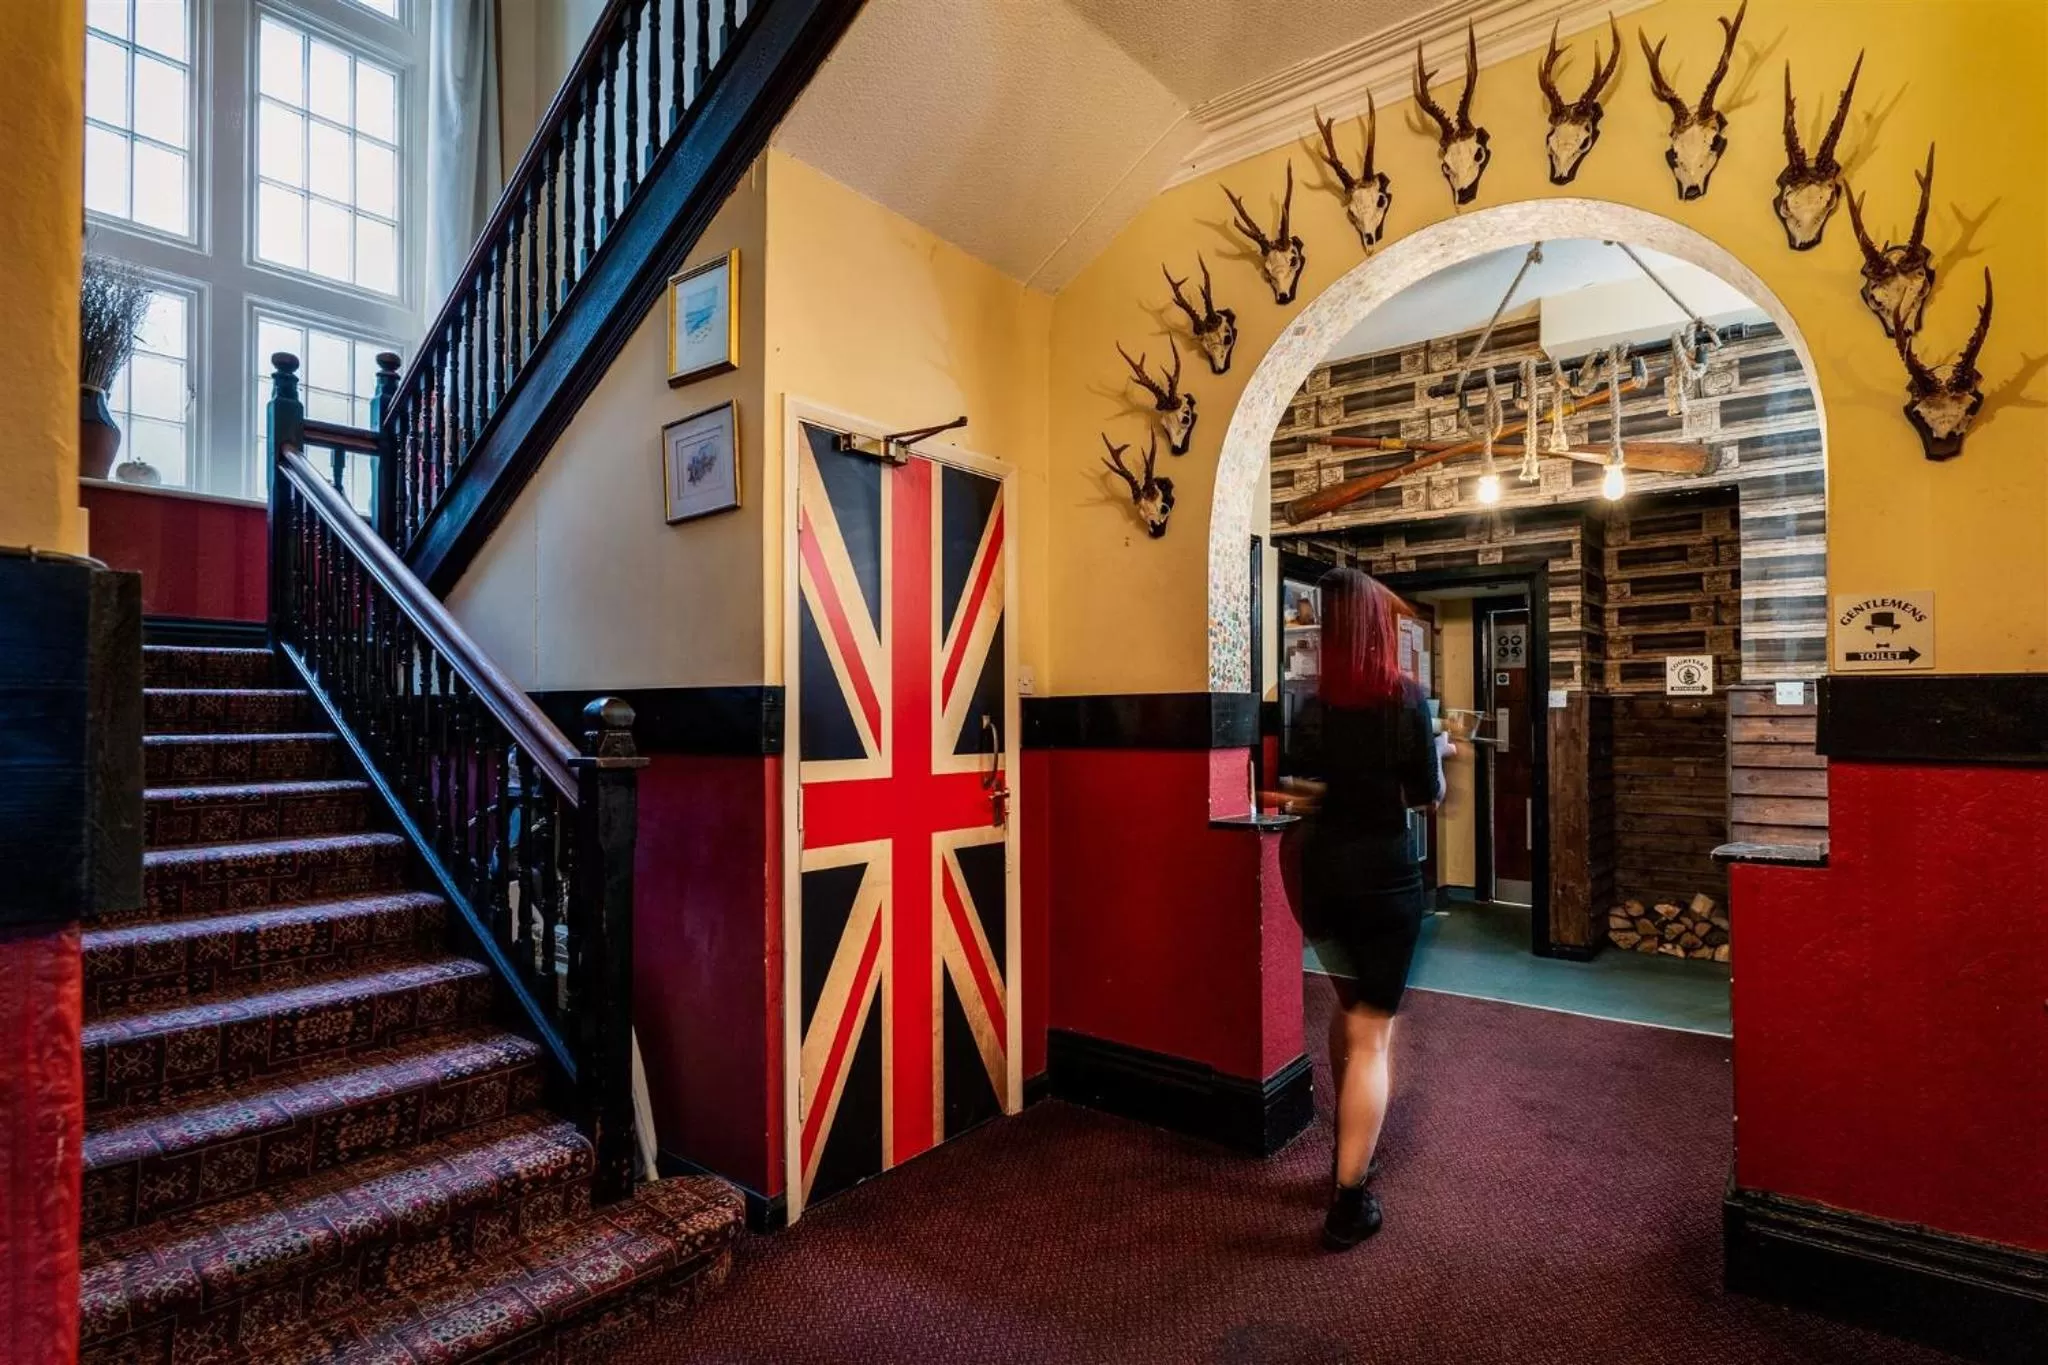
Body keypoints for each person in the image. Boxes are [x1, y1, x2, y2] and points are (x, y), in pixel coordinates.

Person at [1275, 567, 1451, 1251]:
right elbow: (1424, 794)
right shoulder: (1406, 700)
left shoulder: (1310, 704)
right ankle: (1348, 1199)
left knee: (1349, 1012)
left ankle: (1349, 1140)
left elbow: (1302, 789)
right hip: (1382, 878)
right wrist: (1437, 748)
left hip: (1320, 879)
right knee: (1374, 1034)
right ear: (1381, 628)